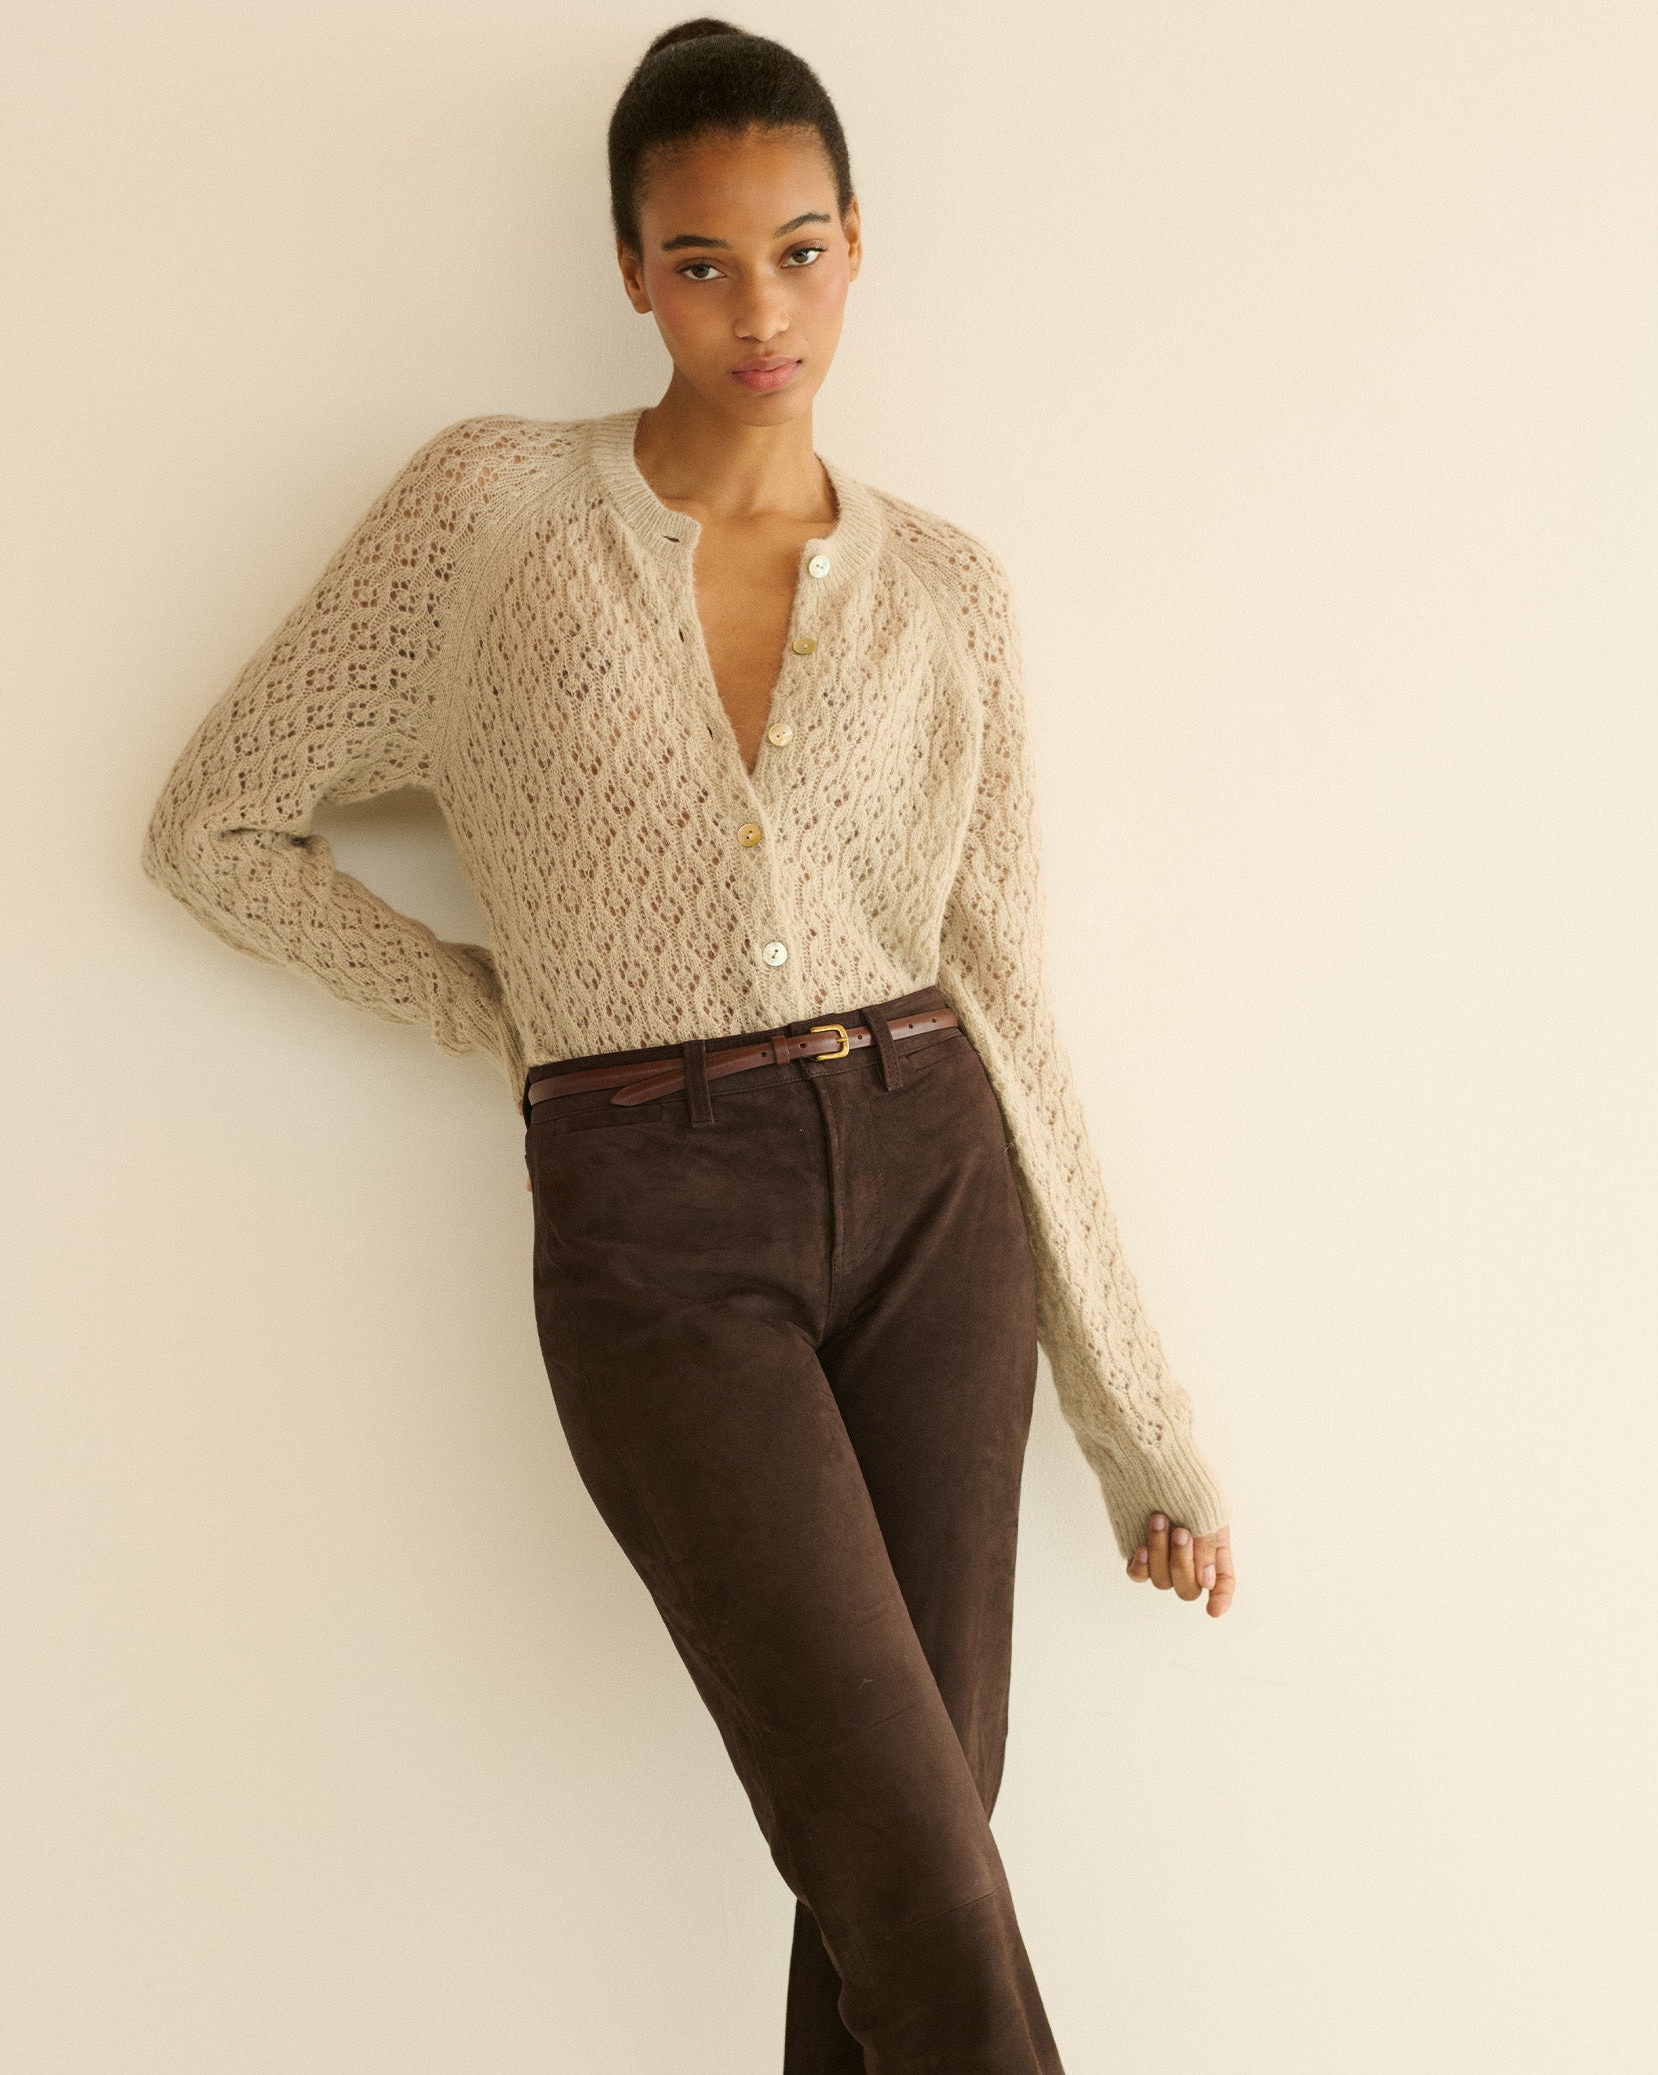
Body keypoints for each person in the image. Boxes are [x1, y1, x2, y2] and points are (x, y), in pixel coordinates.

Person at [141, 19, 1236, 2071]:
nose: (763, 311)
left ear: (858, 248)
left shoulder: (950, 595)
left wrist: (1140, 1416)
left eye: (801, 253)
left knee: (905, 1857)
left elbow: (1008, 995)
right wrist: (501, 1017)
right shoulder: (490, 513)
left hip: (933, 1191)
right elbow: (215, 825)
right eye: (706, 262)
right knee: (913, 1871)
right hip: (654, 1232)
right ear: (633, 272)